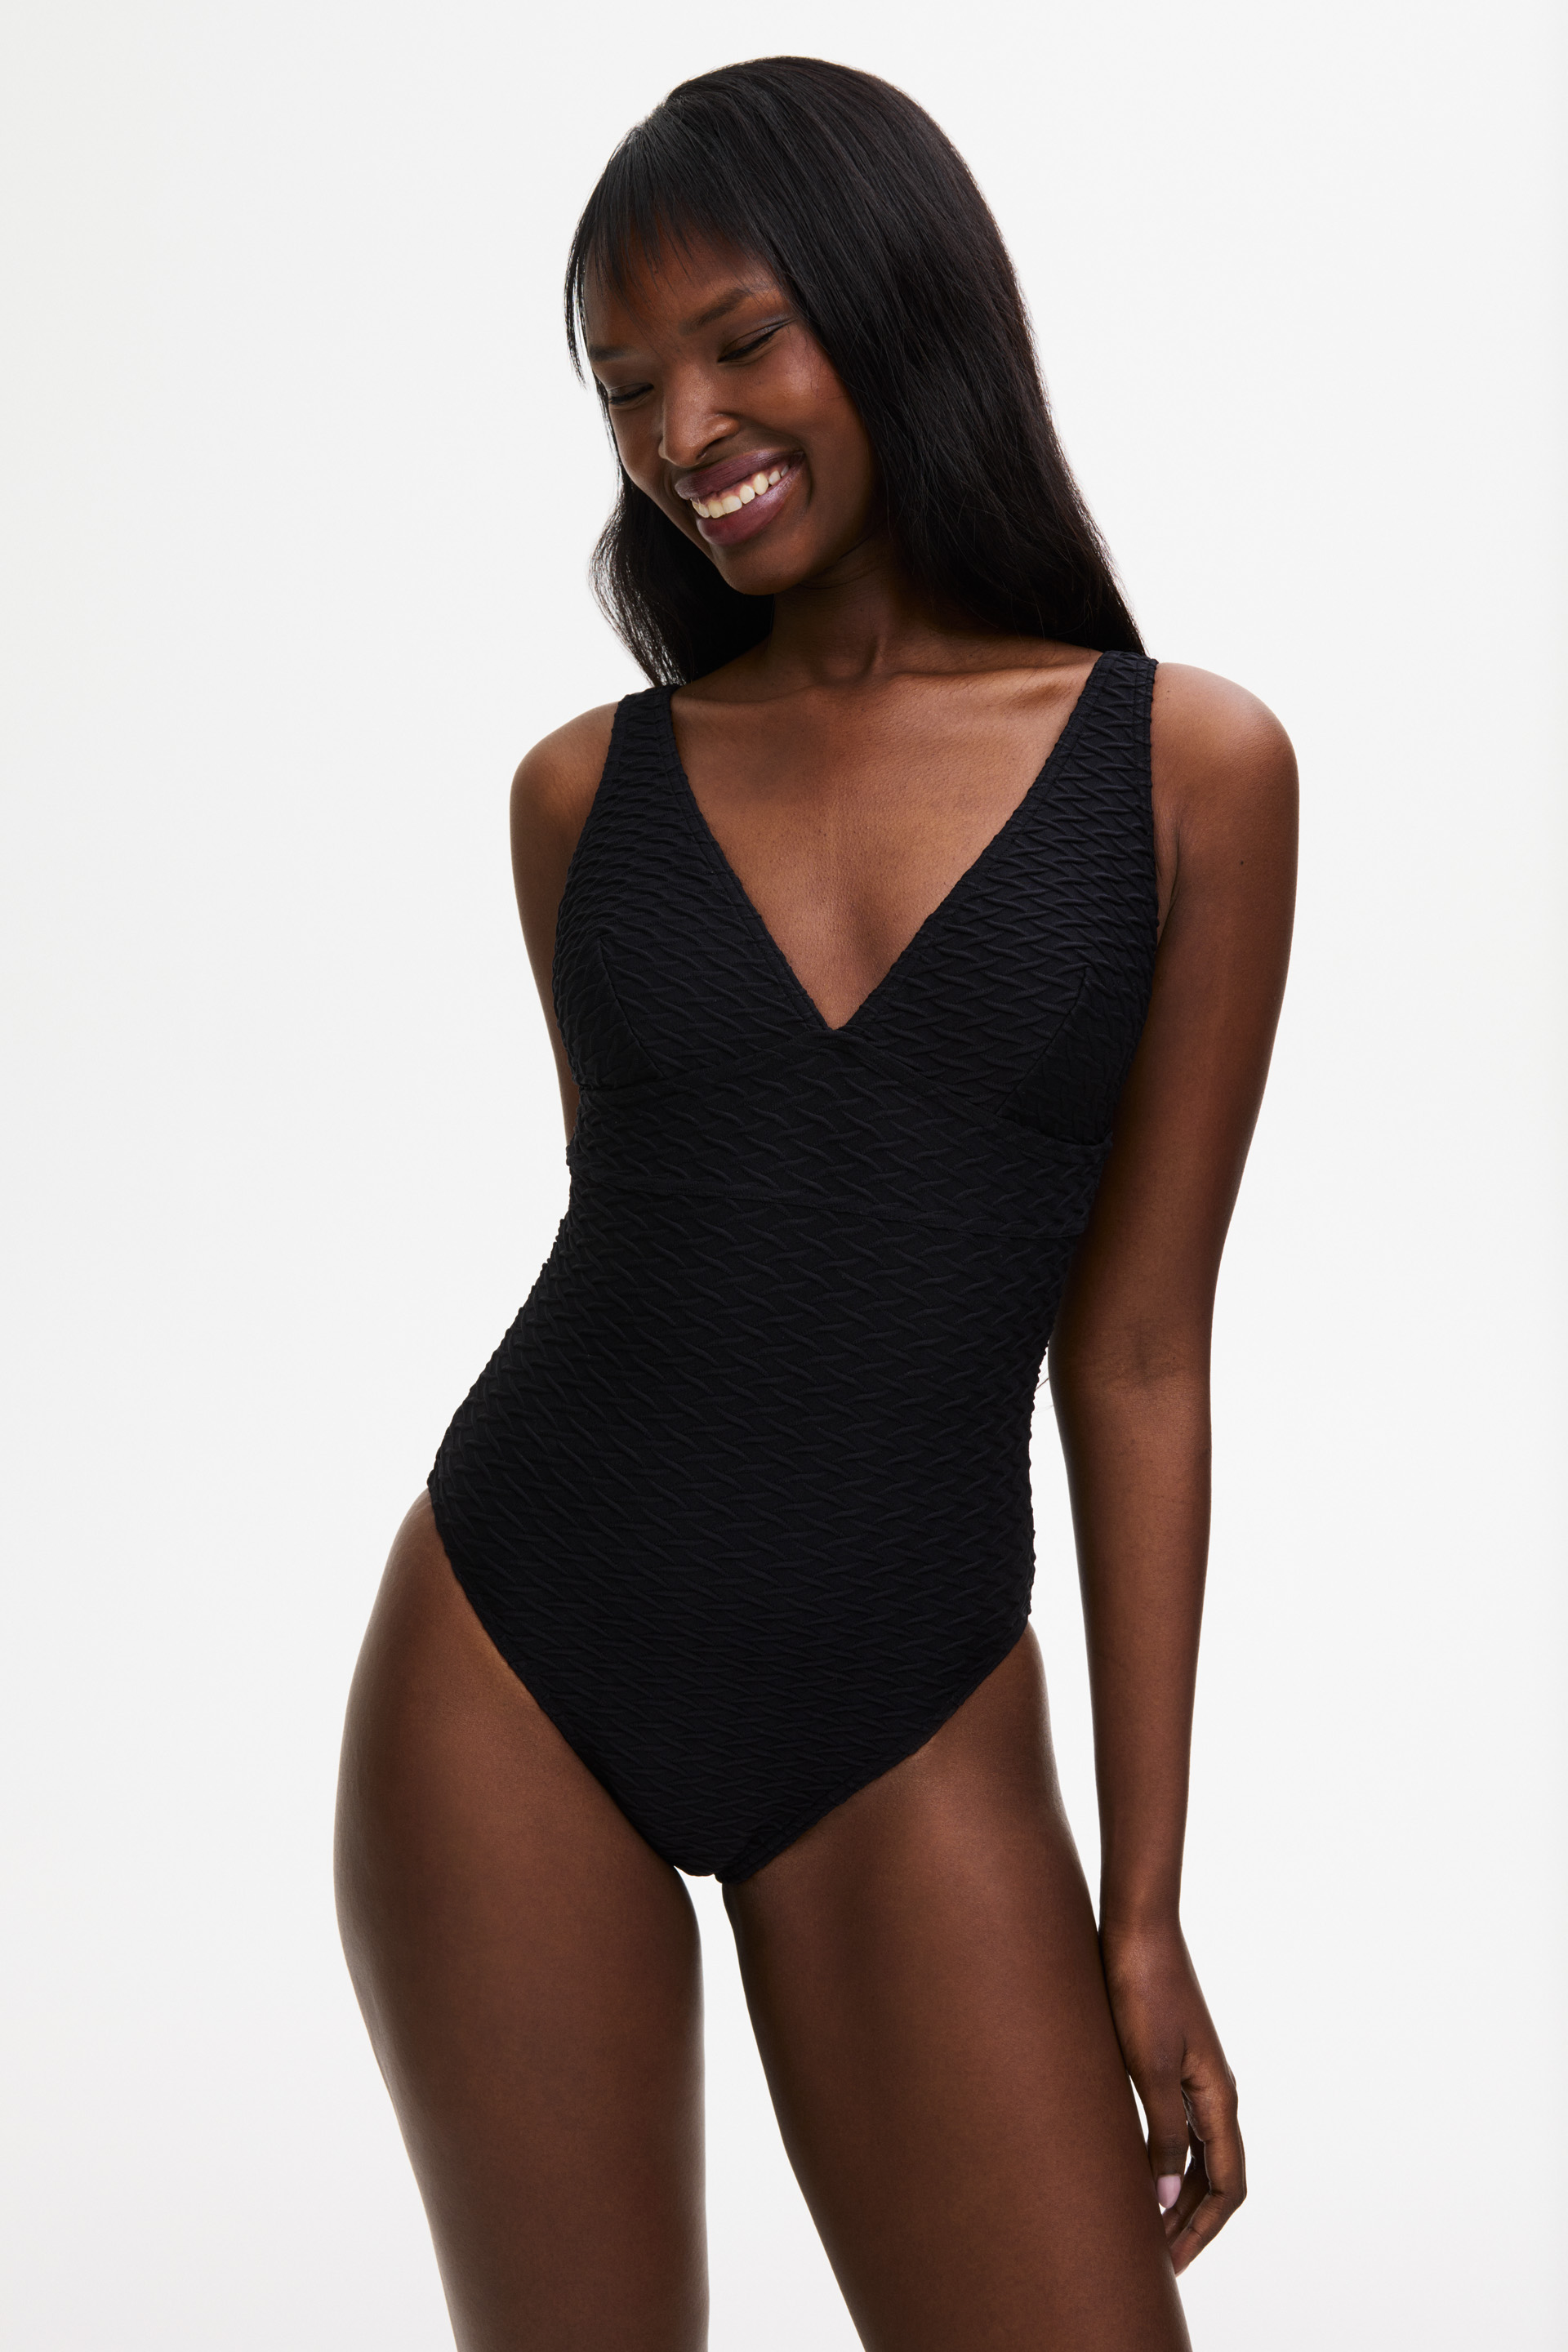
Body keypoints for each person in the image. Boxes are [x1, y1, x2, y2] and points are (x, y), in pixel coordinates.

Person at [334, 55, 1297, 2352]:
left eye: (741, 339)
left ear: (898, 304)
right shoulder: (583, 798)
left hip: (907, 1696)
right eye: (625, 384)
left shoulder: (1189, 773)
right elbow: (673, 1252)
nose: (684, 429)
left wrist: (1140, 1904)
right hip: (510, 1663)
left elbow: (1136, 1354)